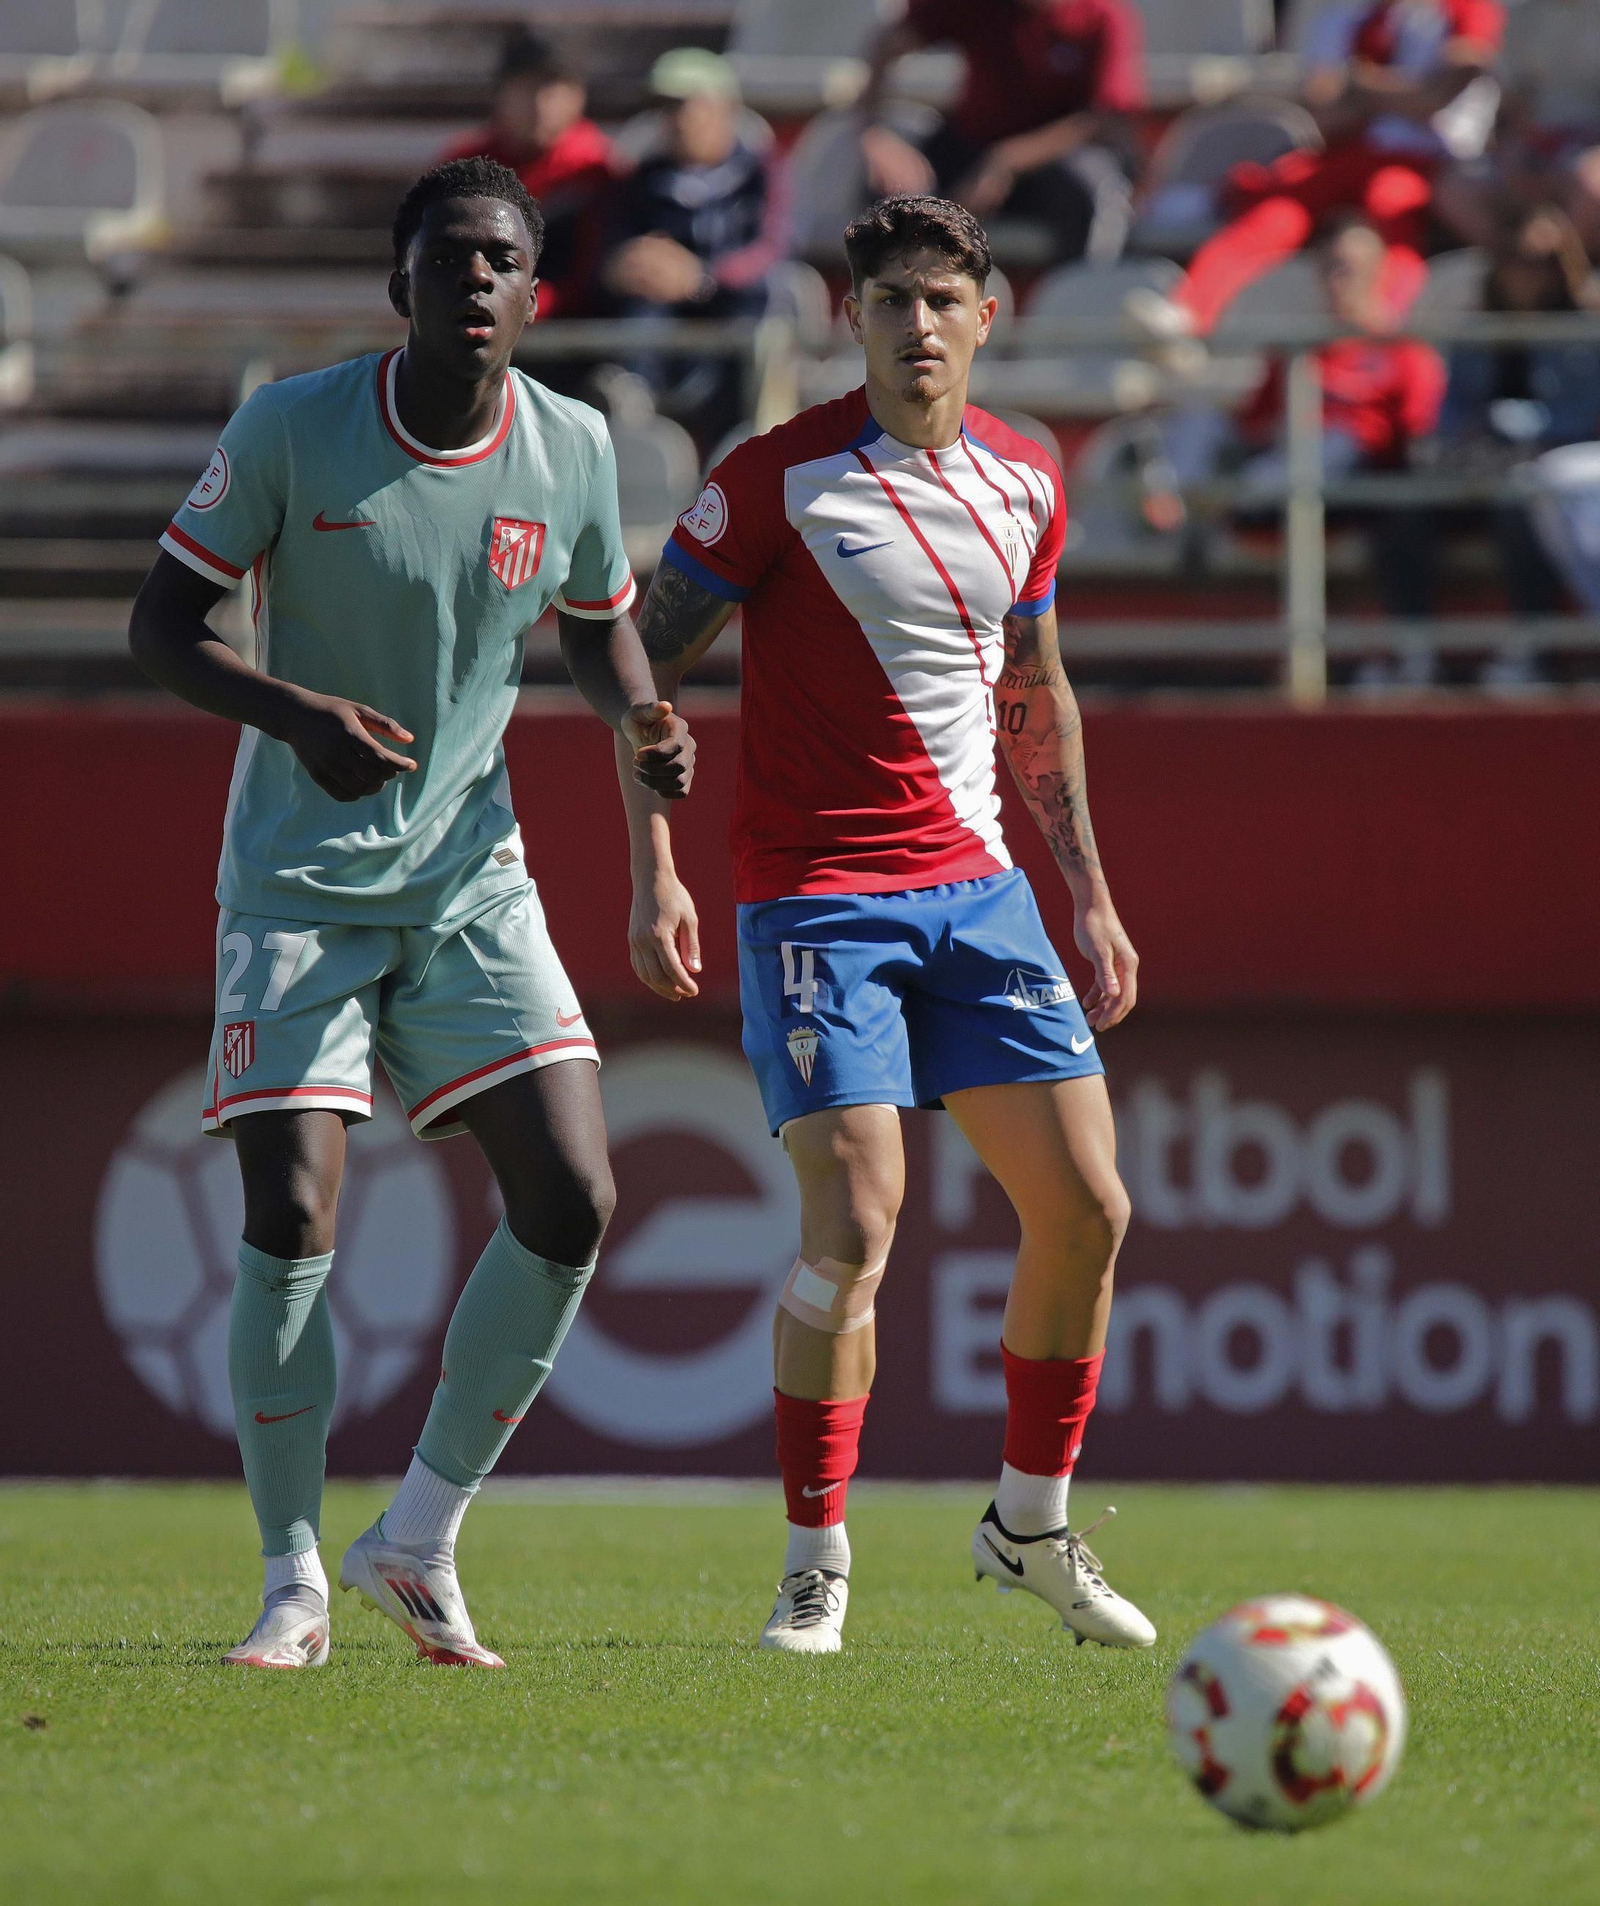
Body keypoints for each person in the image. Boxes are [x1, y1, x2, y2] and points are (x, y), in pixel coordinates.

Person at [127, 157, 695, 1671]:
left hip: (469, 881)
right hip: (299, 887)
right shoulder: (291, 427)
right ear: (401, 283)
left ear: (535, 287)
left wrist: (648, 731)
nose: (478, 283)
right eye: (449, 259)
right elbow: (162, 625)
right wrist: (291, 710)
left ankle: (420, 1536)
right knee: (295, 1207)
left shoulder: (572, 447)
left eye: (503, 260)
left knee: (574, 1193)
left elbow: (604, 636)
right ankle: (293, 1576)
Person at [618, 194, 1155, 1656]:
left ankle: (1028, 1525)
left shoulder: (1030, 480)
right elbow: (629, 659)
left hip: (981, 897)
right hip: (818, 899)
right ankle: (815, 1561)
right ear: (850, 321)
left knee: (1092, 1210)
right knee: (855, 1227)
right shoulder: (775, 480)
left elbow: (1033, 690)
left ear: (988, 316)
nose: (915, 324)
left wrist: (1087, 888)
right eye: (887, 302)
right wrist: (653, 860)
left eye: (939, 299)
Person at [1129, 0, 1504, 340]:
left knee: (1392, 208)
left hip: (1422, 162)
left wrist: (1359, 86)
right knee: (1270, 214)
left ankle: (1386, 322)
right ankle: (1189, 313)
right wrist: (1399, 95)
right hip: (1339, 156)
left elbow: (1436, 97)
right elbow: (1323, 111)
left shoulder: (1465, 7)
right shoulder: (1343, 15)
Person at [1148, 219, 1447, 642]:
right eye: (1329, 266)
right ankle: (1184, 509)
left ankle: (1224, 503)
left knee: (1336, 444)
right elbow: (1254, 424)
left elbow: (1417, 439)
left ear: (1379, 271)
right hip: (1278, 475)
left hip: (1355, 487)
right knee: (1198, 416)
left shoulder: (1405, 349)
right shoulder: (1297, 347)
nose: (1338, 278)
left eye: (1349, 267)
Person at [857, 0, 1146, 266]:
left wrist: (1008, 161)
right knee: (893, 190)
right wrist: (875, 134)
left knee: (1089, 186)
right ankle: (897, 297)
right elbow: (891, 43)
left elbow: (1104, 119)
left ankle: (1080, 304)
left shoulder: (1101, 15)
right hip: (970, 153)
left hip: (1053, 165)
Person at [601, 47, 787, 439]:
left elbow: (772, 251)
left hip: (737, 315)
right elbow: (614, 251)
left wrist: (703, 277)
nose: (674, 121)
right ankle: (637, 427)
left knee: (762, 319)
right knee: (637, 317)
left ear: (724, 109)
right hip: (660, 314)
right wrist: (626, 265)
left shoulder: (760, 174)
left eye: (685, 105)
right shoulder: (642, 181)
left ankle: (744, 443)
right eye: (666, 109)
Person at [440, 33, 614, 319]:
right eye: (526, 89)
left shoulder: (593, 167)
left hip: (571, 324)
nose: (539, 106)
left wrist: (529, 304)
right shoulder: (466, 164)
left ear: (579, 97)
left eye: (553, 90)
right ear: (500, 94)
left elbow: (593, 269)